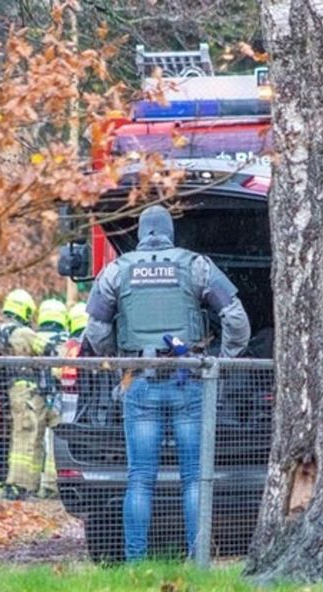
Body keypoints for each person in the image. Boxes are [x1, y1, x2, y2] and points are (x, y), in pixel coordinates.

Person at [85, 205, 251, 561]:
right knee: (194, 478)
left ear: (142, 232)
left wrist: (120, 361)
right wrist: (220, 361)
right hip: (188, 381)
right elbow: (236, 319)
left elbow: (95, 329)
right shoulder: (196, 266)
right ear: (170, 233)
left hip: (140, 382)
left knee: (140, 478)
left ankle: (135, 563)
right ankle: (197, 560)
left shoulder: (116, 270)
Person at [0, 289, 45, 500]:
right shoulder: (24, 333)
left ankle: (11, 482)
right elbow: (48, 350)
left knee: (12, 435)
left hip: (5, 389)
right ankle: (18, 485)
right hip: (23, 391)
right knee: (26, 435)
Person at [34, 297, 70, 498]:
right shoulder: (65, 340)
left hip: (37, 394)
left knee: (34, 439)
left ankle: (32, 485)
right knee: (55, 440)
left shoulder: (36, 338)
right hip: (59, 396)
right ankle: (50, 485)